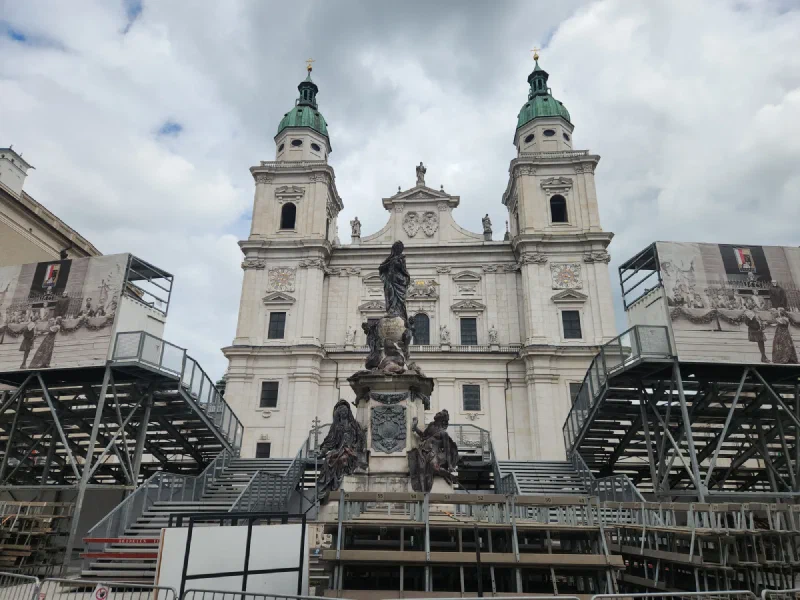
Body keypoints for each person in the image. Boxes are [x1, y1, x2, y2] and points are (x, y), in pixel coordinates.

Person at [316, 399, 366, 498]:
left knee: (343, 459)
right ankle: (327, 487)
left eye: (345, 411)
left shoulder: (354, 425)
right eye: (341, 411)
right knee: (329, 458)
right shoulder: (336, 427)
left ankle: (334, 485)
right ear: (338, 413)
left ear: (348, 412)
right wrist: (322, 451)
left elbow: (360, 439)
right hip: (340, 450)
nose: (344, 412)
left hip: (351, 451)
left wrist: (357, 447)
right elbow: (330, 441)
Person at [378, 241, 410, 323]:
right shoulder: (390, 259)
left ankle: (398, 312)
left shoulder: (402, 259)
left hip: (399, 282)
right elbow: (381, 268)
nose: (399, 251)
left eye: (400, 249)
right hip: (390, 281)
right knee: (390, 296)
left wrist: (397, 263)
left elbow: (404, 271)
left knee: (399, 301)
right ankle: (392, 310)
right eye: (398, 249)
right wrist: (390, 263)